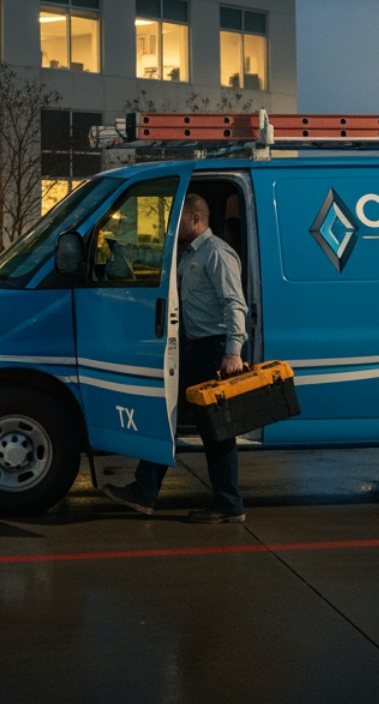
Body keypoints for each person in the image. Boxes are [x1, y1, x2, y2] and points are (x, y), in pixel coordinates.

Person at [103, 192, 250, 523]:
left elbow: (234, 304)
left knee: (217, 433)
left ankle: (229, 505)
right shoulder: (188, 254)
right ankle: (145, 492)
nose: (173, 226)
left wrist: (232, 352)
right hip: (193, 350)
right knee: (166, 419)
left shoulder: (217, 254)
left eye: (179, 219)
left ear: (196, 219)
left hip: (213, 352)